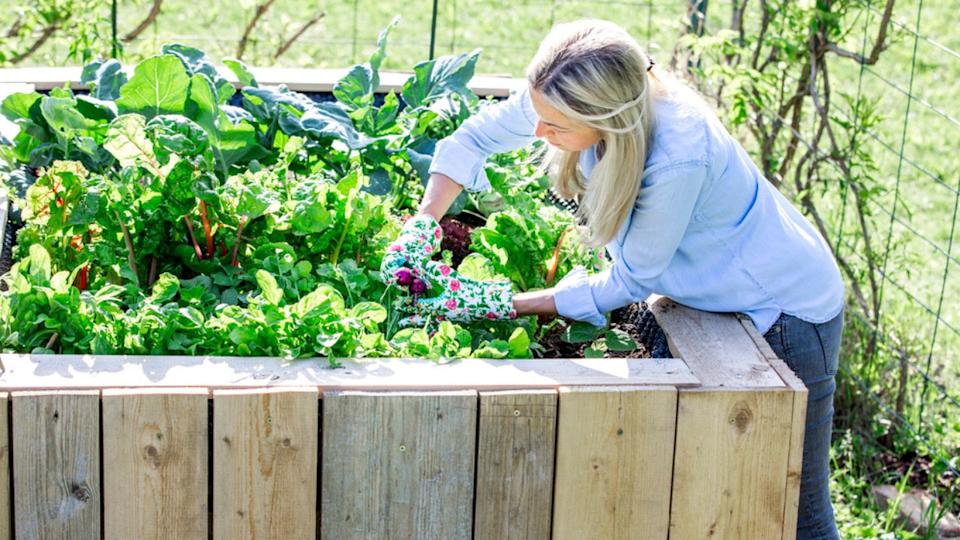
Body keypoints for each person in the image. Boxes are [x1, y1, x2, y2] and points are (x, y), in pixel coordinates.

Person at [380, 19, 845, 539]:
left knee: (792, 508)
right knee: (713, 495)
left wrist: (501, 302)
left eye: (555, 126)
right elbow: (475, 138)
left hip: (783, 310)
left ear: (607, 118)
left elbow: (629, 282)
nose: (539, 132)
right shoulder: (566, 88)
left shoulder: (677, 155)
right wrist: (423, 224)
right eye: (538, 114)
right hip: (711, 296)